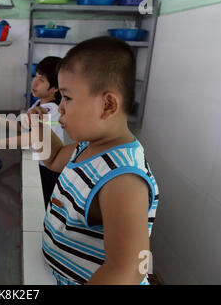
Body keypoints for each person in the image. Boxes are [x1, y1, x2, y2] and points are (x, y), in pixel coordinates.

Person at [28, 36, 159, 285]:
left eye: (67, 97)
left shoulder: (123, 176)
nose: (61, 108)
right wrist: (40, 126)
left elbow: (129, 270)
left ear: (107, 105)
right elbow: (54, 159)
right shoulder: (89, 146)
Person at [0, 56, 66, 209]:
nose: (34, 82)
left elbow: (31, 138)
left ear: (54, 89)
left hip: (48, 169)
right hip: (42, 163)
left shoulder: (50, 110)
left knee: (45, 206)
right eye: (36, 76)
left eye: (42, 79)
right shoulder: (38, 104)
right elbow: (22, 126)